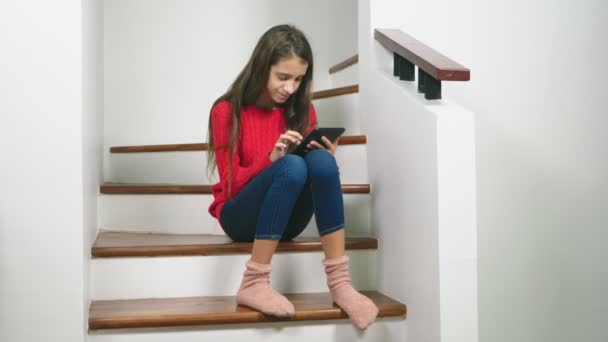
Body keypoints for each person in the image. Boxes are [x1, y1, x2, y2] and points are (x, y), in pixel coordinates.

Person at [206, 24, 378, 330]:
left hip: (286, 217)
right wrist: (271, 161)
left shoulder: (303, 110)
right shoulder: (226, 111)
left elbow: (310, 173)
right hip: (239, 216)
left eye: (298, 79)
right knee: (291, 166)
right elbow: (231, 186)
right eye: (283, 77)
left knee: (320, 163)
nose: (290, 88)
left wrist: (323, 156)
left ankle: (340, 284)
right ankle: (254, 281)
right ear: (262, 68)